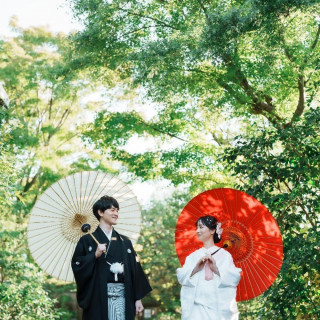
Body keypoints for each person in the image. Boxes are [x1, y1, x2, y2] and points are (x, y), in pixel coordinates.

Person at [72, 195, 152, 320]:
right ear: (100, 212)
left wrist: (137, 299)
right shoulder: (86, 240)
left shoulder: (125, 242)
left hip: (124, 298)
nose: (116, 214)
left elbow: (134, 270)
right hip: (98, 298)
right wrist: (94, 255)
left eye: (117, 210)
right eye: (112, 210)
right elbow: (77, 264)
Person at [177, 215, 241, 320]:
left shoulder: (225, 255)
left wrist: (216, 269)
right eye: (197, 228)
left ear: (212, 230)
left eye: (201, 227)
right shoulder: (193, 256)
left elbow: (234, 278)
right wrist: (195, 269)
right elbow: (181, 277)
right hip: (196, 309)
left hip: (218, 308)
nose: (197, 231)